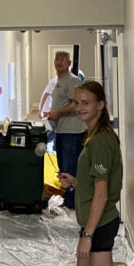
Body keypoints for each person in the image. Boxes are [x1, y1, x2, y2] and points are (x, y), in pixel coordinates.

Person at [59, 80, 133, 266]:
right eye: (77, 103)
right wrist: (77, 183)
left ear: (100, 105)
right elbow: (96, 185)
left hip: (99, 224)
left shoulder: (101, 140)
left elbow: (103, 195)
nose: (80, 108)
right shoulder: (93, 136)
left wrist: (87, 236)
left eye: (86, 102)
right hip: (93, 220)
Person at [47, 50, 86, 209]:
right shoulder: (59, 80)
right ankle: (68, 199)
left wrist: (58, 113)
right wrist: (53, 113)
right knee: (63, 166)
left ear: (69, 63)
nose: (59, 62)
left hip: (72, 131)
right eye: (57, 59)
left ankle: (72, 202)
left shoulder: (72, 81)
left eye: (63, 59)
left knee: (70, 168)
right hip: (62, 130)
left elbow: (76, 104)